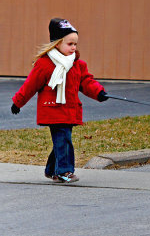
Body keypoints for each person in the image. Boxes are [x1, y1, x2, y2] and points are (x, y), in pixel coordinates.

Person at [11, 18, 109, 183]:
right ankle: (64, 172)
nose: (73, 48)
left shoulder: (77, 65)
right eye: (69, 44)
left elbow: (86, 82)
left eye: (75, 44)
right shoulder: (44, 64)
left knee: (61, 141)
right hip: (53, 109)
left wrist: (99, 92)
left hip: (70, 109)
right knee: (64, 140)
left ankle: (52, 170)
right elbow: (30, 86)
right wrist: (18, 102)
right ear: (57, 44)